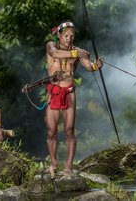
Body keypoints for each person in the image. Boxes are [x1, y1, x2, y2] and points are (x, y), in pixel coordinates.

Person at [45, 20, 103, 176]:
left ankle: (69, 166)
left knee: (69, 130)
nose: (69, 39)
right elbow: (55, 54)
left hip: (69, 92)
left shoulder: (78, 51)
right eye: (66, 36)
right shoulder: (51, 46)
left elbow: (89, 67)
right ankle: (54, 162)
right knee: (51, 130)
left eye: (71, 36)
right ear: (59, 35)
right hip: (53, 92)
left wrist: (96, 66)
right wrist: (77, 53)